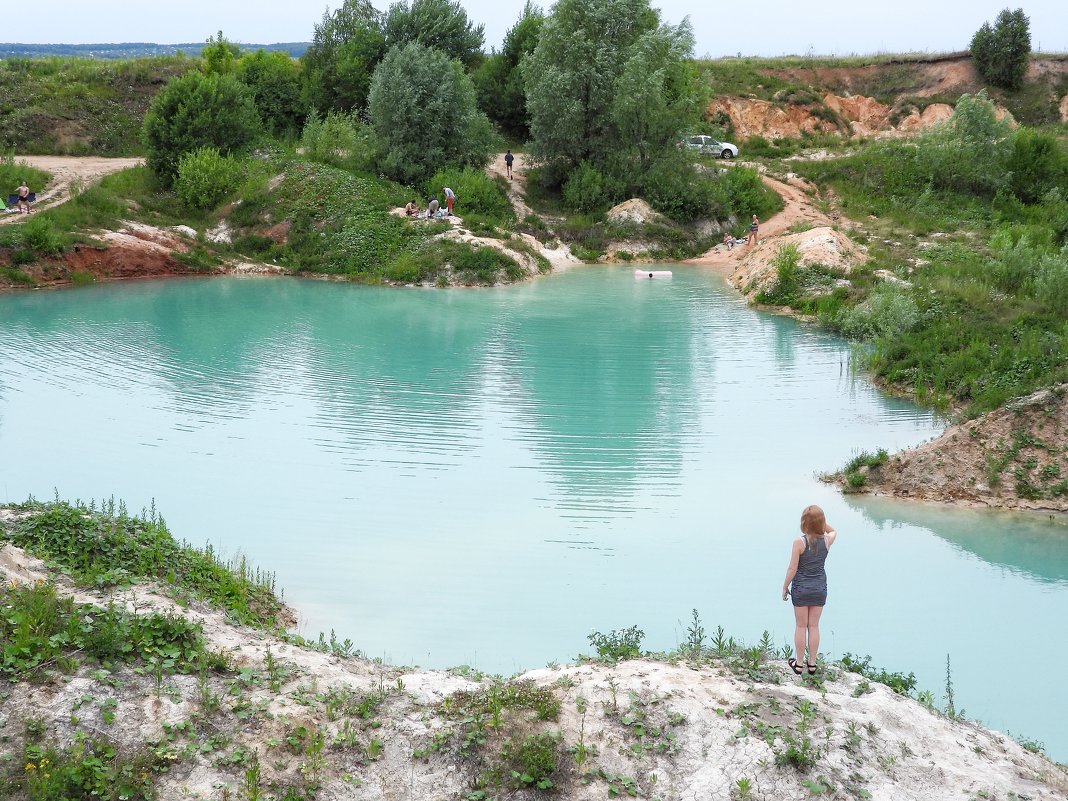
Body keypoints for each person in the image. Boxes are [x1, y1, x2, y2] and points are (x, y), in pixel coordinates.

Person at [781, 505, 837, 676]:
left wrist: (785, 586)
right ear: (822, 522)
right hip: (819, 587)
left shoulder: (799, 542)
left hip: (801, 588)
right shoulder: (828, 540)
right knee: (814, 626)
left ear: (804, 522)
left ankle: (798, 664)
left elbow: (792, 568)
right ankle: (811, 664)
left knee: (800, 626)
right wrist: (821, 523)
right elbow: (833, 530)